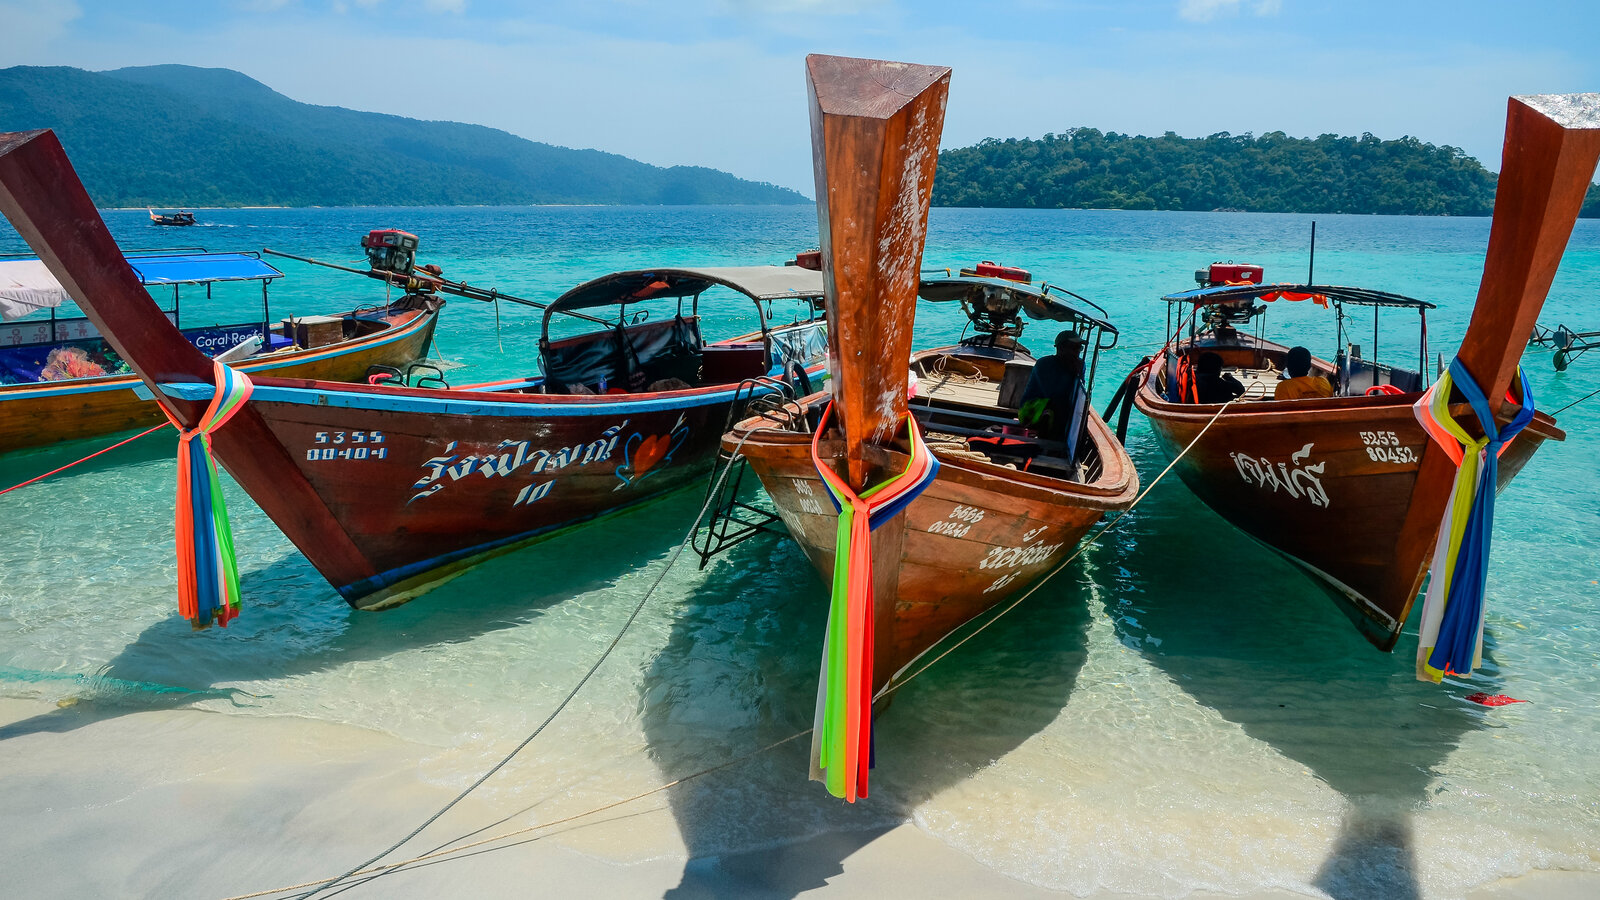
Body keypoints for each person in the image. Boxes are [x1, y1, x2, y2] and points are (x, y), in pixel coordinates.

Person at [1019, 330, 1086, 440]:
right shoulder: (1044, 364)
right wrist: (1073, 371)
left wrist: (1078, 374)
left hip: (1057, 408)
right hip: (1032, 409)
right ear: (1061, 348)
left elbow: (1079, 392)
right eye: (1074, 348)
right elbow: (1052, 393)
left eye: (1079, 348)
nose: (1077, 351)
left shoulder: (1080, 364)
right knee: (1055, 408)